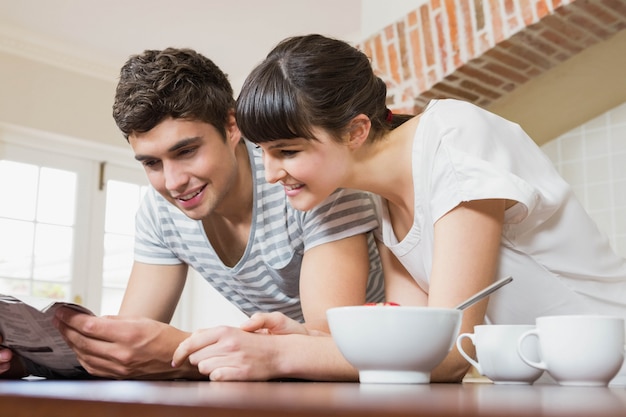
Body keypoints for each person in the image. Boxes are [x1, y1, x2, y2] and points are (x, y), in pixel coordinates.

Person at [232, 34, 626, 383]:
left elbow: (449, 353)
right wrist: (308, 337)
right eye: (262, 153)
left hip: (613, 375)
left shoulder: (455, 141)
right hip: (545, 386)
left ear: (356, 131)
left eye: (287, 151)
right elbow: (414, 337)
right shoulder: (377, 194)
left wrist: (284, 356)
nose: (270, 174)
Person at [0, 47, 385, 381]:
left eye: (186, 151)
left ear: (232, 126)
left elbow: (327, 343)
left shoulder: (305, 178)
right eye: (151, 163)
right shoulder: (159, 213)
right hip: (280, 383)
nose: (173, 182)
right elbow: (129, 344)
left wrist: (184, 350)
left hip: (372, 376)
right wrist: (29, 361)